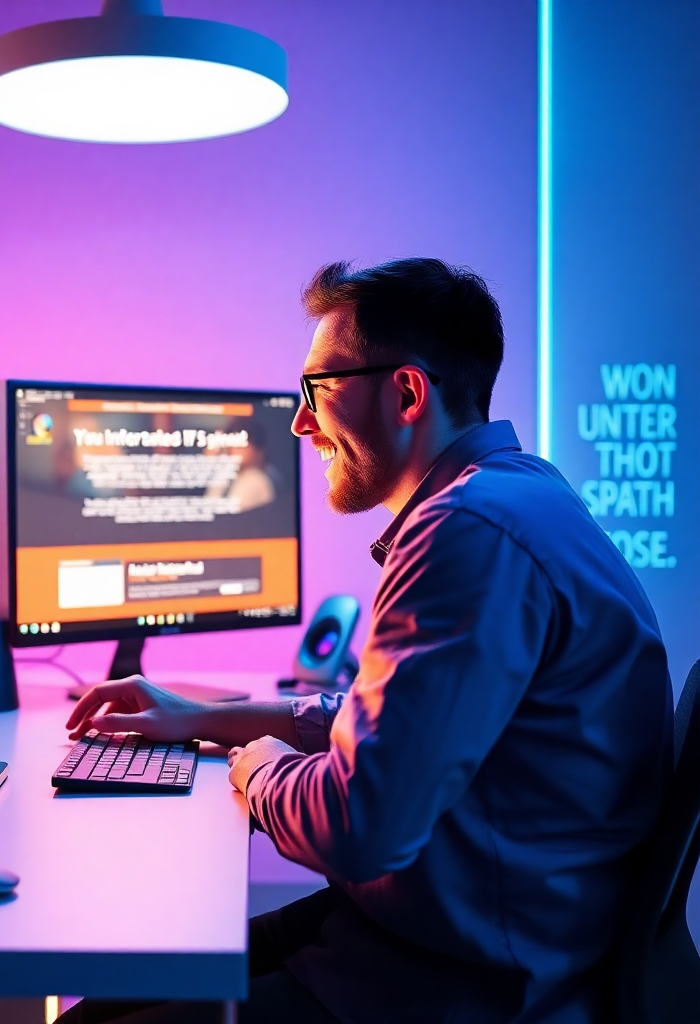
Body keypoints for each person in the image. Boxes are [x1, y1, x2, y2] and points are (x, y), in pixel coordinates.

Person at [59, 258, 673, 1024]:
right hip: (442, 939)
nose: (300, 422)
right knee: (102, 1004)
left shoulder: (467, 530)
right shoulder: (518, 493)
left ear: (407, 393)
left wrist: (259, 769)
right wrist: (202, 718)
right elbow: (392, 725)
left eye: (316, 389)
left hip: (460, 987)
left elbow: (359, 826)